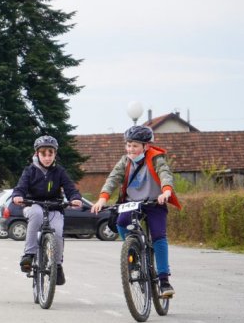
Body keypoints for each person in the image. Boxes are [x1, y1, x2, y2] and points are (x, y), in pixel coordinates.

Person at [91, 125, 181, 298]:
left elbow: (165, 173)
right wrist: (102, 198)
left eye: (135, 146)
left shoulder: (156, 158)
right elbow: (113, 178)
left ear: (146, 146)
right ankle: (133, 252)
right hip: (132, 203)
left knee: (158, 236)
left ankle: (164, 280)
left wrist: (166, 191)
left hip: (155, 202)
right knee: (121, 222)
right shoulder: (125, 161)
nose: (131, 149)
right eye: (129, 145)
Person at [13, 136, 83, 286]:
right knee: (37, 214)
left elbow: (71, 188)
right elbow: (20, 188)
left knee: (57, 232)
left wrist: (75, 198)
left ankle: (57, 265)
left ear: (55, 154)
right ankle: (29, 254)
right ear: (37, 154)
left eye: (50, 154)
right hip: (33, 205)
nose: (47, 157)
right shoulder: (29, 171)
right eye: (43, 154)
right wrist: (18, 196)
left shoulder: (59, 171)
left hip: (54, 208)